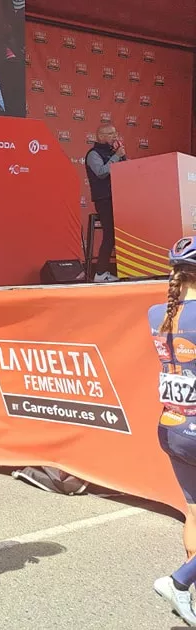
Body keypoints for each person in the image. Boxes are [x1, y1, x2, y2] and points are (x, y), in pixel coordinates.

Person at [150, 237, 196, 626]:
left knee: (195, 510)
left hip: (171, 426)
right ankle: (181, 582)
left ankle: (187, 588)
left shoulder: (156, 313)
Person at [85, 124, 127, 282]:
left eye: (115, 133)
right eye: (110, 134)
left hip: (120, 198)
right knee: (110, 235)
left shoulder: (114, 152)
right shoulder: (93, 154)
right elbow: (101, 172)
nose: (114, 136)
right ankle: (100, 273)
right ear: (100, 136)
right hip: (104, 199)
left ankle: (125, 270)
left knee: (120, 235)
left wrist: (122, 156)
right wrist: (116, 157)